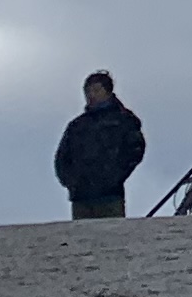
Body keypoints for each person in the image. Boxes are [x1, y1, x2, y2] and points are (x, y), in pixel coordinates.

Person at [55, 70, 148, 220]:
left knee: (111, 233)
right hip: (81, 198)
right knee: (82, 234)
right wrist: (72, 182)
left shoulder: (123, 120)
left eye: (96, 90)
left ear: (108, 91)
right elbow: (62, 158)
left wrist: (114, 177)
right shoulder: (77, 125)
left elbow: (135, 151)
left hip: (110, 197)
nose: (91, 95)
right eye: (88, 91)